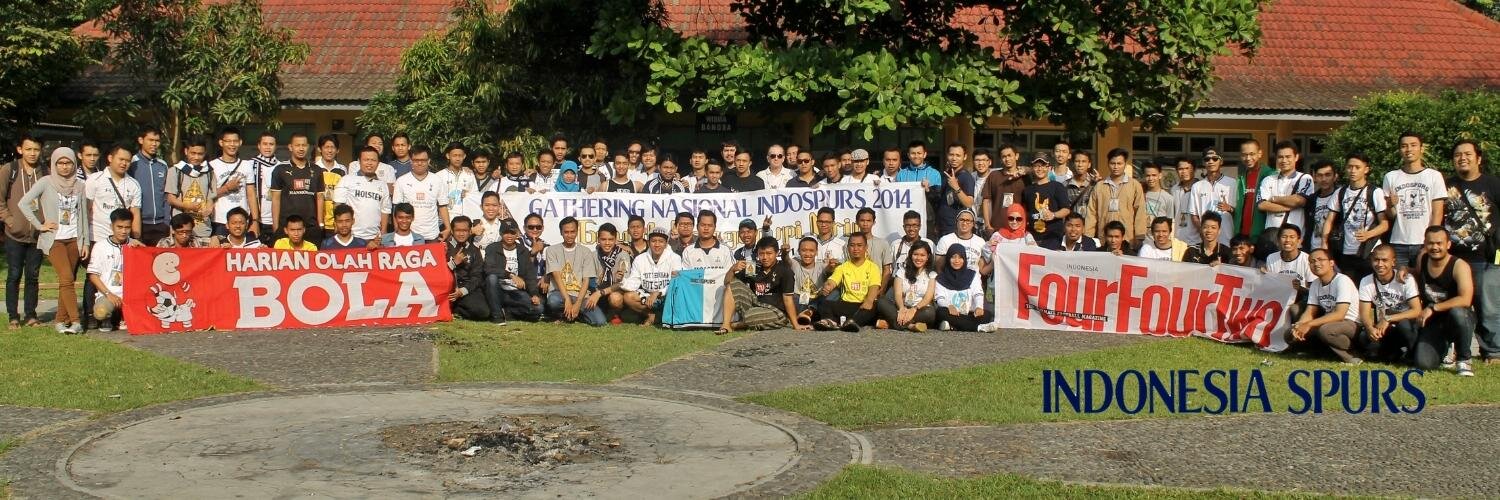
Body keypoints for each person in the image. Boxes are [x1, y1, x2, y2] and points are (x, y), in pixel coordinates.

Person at [18, 147, 90, 333]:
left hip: (74, 239)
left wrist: (85, 242)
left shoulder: (80, 185)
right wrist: (39, 225)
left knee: (68, 281)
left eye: (68, 163)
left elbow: (83, 215)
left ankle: (59, 320)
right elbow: (23, 203)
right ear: (54, 164)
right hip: (54, 239)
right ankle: (76, 321)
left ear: (74, 164)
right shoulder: (46, 182)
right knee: (66, 278)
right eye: (60, 163)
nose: (64, 167)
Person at [1442, 140, 1500, 365]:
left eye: (1467, 154)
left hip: (1487, 258)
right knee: (1458, 307)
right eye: (1457, 155)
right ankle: (1458, 350)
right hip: (1454, 260)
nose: (1462, 158)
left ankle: (1492, 352)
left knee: (1489, 306)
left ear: (1479, 158)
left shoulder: (1493, 184)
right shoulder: (1446, 185)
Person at [1412, 225, 1476, 376]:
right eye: (1430, 243)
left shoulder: (1460, 266)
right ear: (1425, 244)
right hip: (1434, 322)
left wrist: (1433, 307)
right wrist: (1404, 270)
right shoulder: (1423, 258)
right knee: (1424, 364)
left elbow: (1466, 300)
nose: (1435, 247)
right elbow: (1417, 274)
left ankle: (1464, 359)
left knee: (1458, 313)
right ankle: (1446, 349)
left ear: (1448, 244)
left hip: (1457, 319)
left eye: (1439, 243)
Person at [1384, 132, 1448, 268]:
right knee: (1399, 279)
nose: (1409, 149)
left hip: (1424, 242)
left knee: (1424, 278)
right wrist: (1390, 205)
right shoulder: (1390, 177)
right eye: (1404, 146)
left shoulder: (1434, 176)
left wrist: (1430, 242)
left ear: (1421, 148)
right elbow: (1391, 215)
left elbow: (1437, 213)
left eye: (1413, 145)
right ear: (1399, 150)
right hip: (1398, 242)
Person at [1289, 249, 1364, 364]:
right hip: (1329, 322)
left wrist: (1308, 324)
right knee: (1289, 334)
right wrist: (1300, 325)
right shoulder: (1315, 284)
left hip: (1350, 323)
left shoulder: (1342, 280)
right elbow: (1310, 311)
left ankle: (1351, 354)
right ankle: (1319, 352)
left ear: (1331, 263)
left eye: (1320, 260)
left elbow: (1340, 314)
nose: (1316, 264)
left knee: (1326, 330)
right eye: (1312, 261)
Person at [1, 135, 46, 327]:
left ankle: (31, 315)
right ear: (20, 149)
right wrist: (9, 220)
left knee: (33, 276)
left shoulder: (45, 172)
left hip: (38, 234)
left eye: (36, 149)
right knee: (14, 275)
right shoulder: (9, 170)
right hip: (14, 234)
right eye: (28, 149)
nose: (32, 153)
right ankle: (13, 316)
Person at [1323, 152, 1388, 282]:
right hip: (1346, 251)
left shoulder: (1375, 192)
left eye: (1357, 167)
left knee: (1369, 286)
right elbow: (1329, 220)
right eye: (1350, 167)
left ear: (1366, 169)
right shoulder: (1340, 192)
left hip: (1369, 250)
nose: (1353, 171)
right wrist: (1324, 244)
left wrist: (1368, 234)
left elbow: (1384, 224)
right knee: (1348, 286)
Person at [718, 237, 798, 333]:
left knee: (750, 316)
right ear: (757, 254)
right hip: (754, 306)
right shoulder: (753, 267)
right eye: (761, 254)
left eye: (769, 253)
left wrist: (796, 325)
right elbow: (727, 283)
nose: (765, 257)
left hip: (775, 311)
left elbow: (788, 299)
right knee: (733, 284)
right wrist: (732, 269)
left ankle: (738, 324)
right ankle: (726, 325)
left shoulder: (784, 270)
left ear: (777, 253)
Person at [1359, 244, 1422, 363]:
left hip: (1405, 324)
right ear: (1371, 261)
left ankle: (1411, 353)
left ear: (1393, 262)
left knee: (1404, 326)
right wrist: (1369, 328)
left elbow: (1417, 310)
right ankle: (1394, 352)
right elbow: (1364, 314)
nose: (1380, 264)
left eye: (1384, 260)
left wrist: (1388, 319)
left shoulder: (1406, 279)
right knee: (1363, 337)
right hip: (1384, 327)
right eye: (1376, 260)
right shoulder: (1366, 281)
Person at [813, 232, 881, 331]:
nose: (855, 249)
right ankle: (830, 321)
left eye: (859, 245)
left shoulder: (873, 267)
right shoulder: (842, 267)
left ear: (866, 247)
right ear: (848, 248)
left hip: (863, 305)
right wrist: (828, 286)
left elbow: (874, 287)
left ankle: (852, 323)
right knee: (824, 302)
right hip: (846, 304)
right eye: (852, 245)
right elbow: (833, 280)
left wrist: (869, 301)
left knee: (874, 306)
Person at [544, 216, 606, 326]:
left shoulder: (586, 252)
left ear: (577, 231)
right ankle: (562, 314)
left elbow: (586, 280)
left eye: (572, 232)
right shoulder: (552, 250)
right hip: (560, 294)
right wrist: (567, 299)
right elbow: (557, 276)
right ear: (561, 232)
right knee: (553, 301)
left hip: (581, 296)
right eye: (566, 232)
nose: (569, 235)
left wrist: (578, 303)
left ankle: (574, 315)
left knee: (600, 321)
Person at [270, 133, 326, 245]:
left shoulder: (317, 170)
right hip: (287, 227)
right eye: (297, 145)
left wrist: (320, 224)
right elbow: (275, 199)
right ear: (290, 147)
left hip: (311, 227)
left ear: (308, 147)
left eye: (304, 145)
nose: (301, 148)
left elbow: (320, 198)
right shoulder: (280, 170)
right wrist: (276, 226)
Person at [1085, 148, 1149, 245]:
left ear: (1125, 164)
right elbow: (1091, 213)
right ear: (1108, 164)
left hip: (1127, 239)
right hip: (1104, 239)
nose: (1116, 167)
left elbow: (1140, 212)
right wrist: (1088, 237)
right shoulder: (1100, 186)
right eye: (1112, 163)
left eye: (1119, 163)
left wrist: (1139, 236)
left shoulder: (1134, 185)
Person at [483, 219, 542, 325]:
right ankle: (497, 316)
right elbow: (488, 268)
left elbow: (529, 275)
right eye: (506, 232)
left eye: (512, 233)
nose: (509, 236)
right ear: (501, 233)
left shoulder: (523, 250)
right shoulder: (492, 248)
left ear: (517, 234)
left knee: (538, 309)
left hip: (515, 292)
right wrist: (511, 275)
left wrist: (534, 294)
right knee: (491, 278)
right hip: (497, 291)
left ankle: (507, 312)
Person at [622, 228, 684, 326]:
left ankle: (662, 315)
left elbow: (676, 282)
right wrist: (621, 280)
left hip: (666, 296)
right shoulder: (640, 259)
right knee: (628, 297)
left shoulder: (675, 258)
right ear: (648, 242)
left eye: (661, 241)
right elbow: (634, 282)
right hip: (648, 296)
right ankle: (652, 315)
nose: (657, 244)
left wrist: (659, 292)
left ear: (666, 244)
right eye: (654, 241)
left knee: (677, 296)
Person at [88, 209, 137, 332]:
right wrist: (108, 294)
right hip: (108, 294)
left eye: (127, 227)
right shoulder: (100, 246)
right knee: (101, 312)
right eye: (119, 227)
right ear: (111, 226)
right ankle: (110, 318)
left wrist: (141, 249)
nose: (123, 231)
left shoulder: (135, 245)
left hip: (131, 295)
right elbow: (93, 275)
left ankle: (122, 317)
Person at [333, 146, 392, 243]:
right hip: (352, 237)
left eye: (373, 160)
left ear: (378, 163)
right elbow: (338, 205)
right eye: (366, 160)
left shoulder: (383, 185)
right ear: (359, 162)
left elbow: (385, 210)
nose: (369, 163)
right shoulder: (347, 180)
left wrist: (384, 231)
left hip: (374, 238)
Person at [876, 240, 936, 332]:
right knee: (881, 301)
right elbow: (898, 294)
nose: (918, 258)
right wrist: (901, 309)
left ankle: (892, 324)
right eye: (915, 254)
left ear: (928, 257)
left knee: (930, 313)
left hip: (919, 310)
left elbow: (928, 297)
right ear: (911, 255)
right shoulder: (901, 271)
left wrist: (914, 309)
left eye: (922, 255)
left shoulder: (931, 275)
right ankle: (910, 326)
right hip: (900, 308)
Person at [393, 147, 451, 242]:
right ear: (411, 161)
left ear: (429, 161)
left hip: (432, 235)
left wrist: (448, 228)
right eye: (416, 160)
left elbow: (442, 206)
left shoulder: (437, 180)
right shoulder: (401, 181)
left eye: (423, 160)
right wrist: (397, 231)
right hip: (409, 236)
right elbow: (396, 208)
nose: (419, 163)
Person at [208, 127, 258, 237]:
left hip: (243, 221)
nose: (232, 144)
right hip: (220, 221)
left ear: (240, 142)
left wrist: (255, 221)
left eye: (235, 141)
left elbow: (251, 194)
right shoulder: (212, 165)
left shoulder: (246, 165)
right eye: (228, 141)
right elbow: (208, 195)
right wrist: (227, 188)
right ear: (221, 143)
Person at [166, 136, 216, 240]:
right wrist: (188, 206)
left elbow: (210, 198)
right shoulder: (175, 171)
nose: (196, 157)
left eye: (200, 154)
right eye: (193, 153)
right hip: (181, 228)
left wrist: (209, 209)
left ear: (205, 153)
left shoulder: (209, 172)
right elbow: (170, 199)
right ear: (186, 151)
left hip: (203, 228)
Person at [130, 126, 172, 245]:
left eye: (157, 141)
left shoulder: (162, 165)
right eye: (150, 140)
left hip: (161, 224)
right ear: (141, 140)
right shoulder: (132, 163)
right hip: (139, 224)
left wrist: (166, 221)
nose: (154, 144)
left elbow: (166, 195)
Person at [1190, 147, 1239, 247]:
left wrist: (1229, 208)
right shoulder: (1197, 186)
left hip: (1227, 238)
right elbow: (1194, 215)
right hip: (1205, 241)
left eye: (1215, 158)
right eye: (1207, 159)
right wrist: (1203, 232)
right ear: (1203, 162)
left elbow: (1239, 212)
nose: (1211, 161)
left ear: (1221, 161)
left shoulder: (1232, 183)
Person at [443, 216, 489, 321]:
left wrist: (462, 291)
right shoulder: (443, 248)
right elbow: (436, 273)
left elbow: (477, 276)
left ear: (470, 231)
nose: (461, 234)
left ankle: (457, 310)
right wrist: (453, 263)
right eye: (458, 230)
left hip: (466, 289)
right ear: (452, 231)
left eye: (465, 230)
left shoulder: (475, 250)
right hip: (447, 289)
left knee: (483, 312)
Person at [1022, 151, 1072, 247]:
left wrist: (1053, 215)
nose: (1040, 169)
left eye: (1043, 166)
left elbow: (1066, 210)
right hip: (1032, 238)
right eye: (1036, 166)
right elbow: (1025, 212)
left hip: (1053, 237)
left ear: (1049, 168)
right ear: (1032, 168)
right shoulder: (1027, 190)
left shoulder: (1057, 186)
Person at [934, 242, 988, 331]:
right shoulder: (941, 278)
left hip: (969, 312)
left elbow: (978, 293)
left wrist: (979, 307)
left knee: (987, 314)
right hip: (951, 312)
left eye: (960, 257)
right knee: (941, 312)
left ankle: (953, 326)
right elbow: (940, 298)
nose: (957, 261)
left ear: (964, 259)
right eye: (953, 257)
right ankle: (978, 327)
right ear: (948, 258)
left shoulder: (972, 275)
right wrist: (948, 306)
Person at [1264, 224, 1314, 307]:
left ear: (1299, 240)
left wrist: (1300, 288)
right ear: (1278, 240)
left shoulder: (1307, 259)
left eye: (1292, 237)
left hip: (1301, 299)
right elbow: (1270, 285)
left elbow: (1314, 291)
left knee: (1294, 310)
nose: (1287, 240)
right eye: (1284, 237)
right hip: (1278, 298)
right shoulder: (1271, 258)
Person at [1237, 139, 1276, 244]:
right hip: (1242, 237)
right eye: (1244, 155)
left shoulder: (1271, 176)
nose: (1248, 158)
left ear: (1260, 153)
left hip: (1264, 237)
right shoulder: (1241, 177)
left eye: (1252, 154)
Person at [591, 223, 632, 321]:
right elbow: (590, 281)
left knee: (615, 298)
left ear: (615, 240)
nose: (607, 243)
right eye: (603, 239)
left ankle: (616, 314)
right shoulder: (593, 255)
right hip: (597, 291)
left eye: (610, 239)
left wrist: (619, 279)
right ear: (598, 239)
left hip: (613, 291)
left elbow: (623, 283)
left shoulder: (623, 255)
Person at [980, 145, 1026, 233]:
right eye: (1004, 156)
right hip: (996, 228)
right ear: (1000, 159)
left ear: (1016, 156)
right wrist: (987, 225)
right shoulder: (994, 176)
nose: (1007, 159)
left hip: (1018, 228)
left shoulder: (1024, 178)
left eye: (1009, 155)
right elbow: (986, 201)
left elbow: (1027, 203)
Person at [933, 143, 976, 237]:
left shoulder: (966, 177)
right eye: (951, 155)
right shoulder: (946, 174)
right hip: (942, 226)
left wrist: (956, 187)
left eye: (958, 155)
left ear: (965, 157)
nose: (954, 158)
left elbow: (969, 203)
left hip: (955, 228)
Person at [789, 236, 829, 327]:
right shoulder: (795, 263)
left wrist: (832, 266)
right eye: (804, 250)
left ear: (816, 252)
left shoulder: (822, 266)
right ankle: (807, 316)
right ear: (798, 251)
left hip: (816, 301)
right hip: (799, 301)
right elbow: (786, 259)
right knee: (791, 297)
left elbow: (830, 269)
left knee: (826, 297)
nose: (807, 254)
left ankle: (808, 314)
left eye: (811, 251)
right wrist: (784, 253)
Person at [935, 209, 989, 273]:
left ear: (973, 224)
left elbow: (981, 269)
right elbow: (939, 268)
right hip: (951, 278)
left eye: (968, 220)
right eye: (961, 220)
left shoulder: (980, 242)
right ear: (956, 222)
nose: (964, 223)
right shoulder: (945, 240)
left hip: (974, 278)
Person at [436, 142, 478, 219]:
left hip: (466, 219)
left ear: (464, 156)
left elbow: (475, 196)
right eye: (454, 155)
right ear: (448, 156)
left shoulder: (469, 174)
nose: (458, 159)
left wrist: (468, 195)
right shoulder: (438, 176)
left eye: (460, 156)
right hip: (445, 219)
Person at [890, 210, 935, 281]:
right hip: (898, 283)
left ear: (920, 226)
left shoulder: (929, 244)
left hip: (923, 284)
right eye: (908, 226)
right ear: (903, 227)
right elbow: (890, 270)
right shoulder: (895, 245)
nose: (911, 229)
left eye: (915, 225)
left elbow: (933, 266)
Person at [1307, 160, 1342, 251]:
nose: (1324, 179)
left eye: (1328, 175)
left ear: (1335, 176)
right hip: (1314, 248)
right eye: (1320, 175)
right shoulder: (1311, 199)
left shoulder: (1342, 197)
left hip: (1335, 248)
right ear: (1314, 177)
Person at [252, 132, 280, 239]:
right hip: (256, 221)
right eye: (265, 144)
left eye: (271, 144)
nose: (268, 147)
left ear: (275, 146)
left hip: (276, 220)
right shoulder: (251, 165)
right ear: (259, 145)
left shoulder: (281, 166)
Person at [316, 135, 345, 231]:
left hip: (336, 222)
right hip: (317, 221)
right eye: (326, 147)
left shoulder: (342, 170)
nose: (329, 151)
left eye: (332, 147)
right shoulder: (313, 168)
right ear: (320, 149)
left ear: (337, 150)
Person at [1140, 162, 1176, 237]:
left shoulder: (1168, 198)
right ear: (1143, 176)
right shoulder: (1139, 195)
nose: (1150, 179)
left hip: (1160, 238)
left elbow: (1170, 223)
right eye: (1147, 175)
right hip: (1142, 237)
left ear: (1160, 175)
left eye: (1154, 175)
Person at [1171, 157, 1201, 246]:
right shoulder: (1174, 189)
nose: (1184, 172)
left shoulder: (1201, 188)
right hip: (1177, 240)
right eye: (1180, 169)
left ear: (1194, 170)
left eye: (1187, 168)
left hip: (1197, 240)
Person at [1065, 150, 1096, 223]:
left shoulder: (1095, 184)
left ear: (1089, 164)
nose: (1080, 164)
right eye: (1077, 161)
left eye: (1083, 161)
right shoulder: (1065, 185)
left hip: (1090, 226)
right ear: (1072, 164)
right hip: (1072, 226)